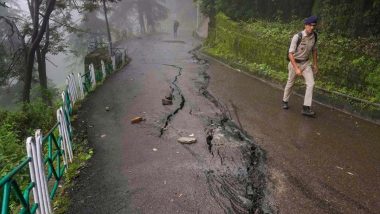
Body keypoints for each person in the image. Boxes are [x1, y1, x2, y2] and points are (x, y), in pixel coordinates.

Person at [282, 16, 318, 117]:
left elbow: (314, 50)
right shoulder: (297, 37)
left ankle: (306, 108)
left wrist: (315, 64)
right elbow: (290, 54)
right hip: (295, 63)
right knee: (290, 82)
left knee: (311, 83)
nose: (312, 28)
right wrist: (296, 68)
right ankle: (285, 101)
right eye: (310, 25)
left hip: (306, 63)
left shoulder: (314, 36)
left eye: (314, 26)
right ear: (305, 25)